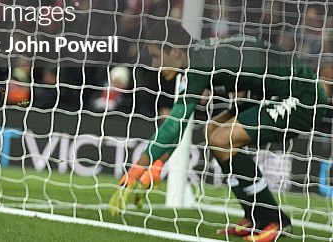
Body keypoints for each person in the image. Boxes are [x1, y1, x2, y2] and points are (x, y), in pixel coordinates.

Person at [110, 23, 329, 242]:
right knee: (212, 131)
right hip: (268, 92)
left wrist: (137, 168)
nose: (156, 65)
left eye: (157, 56)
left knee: (224, 139)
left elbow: (176, 121)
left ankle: (276, 220)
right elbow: (179, 125)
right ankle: (255, 217)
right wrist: (158, 163)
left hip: (302, 96)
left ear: (175, 51)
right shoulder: (200, 55)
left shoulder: (199, 63)